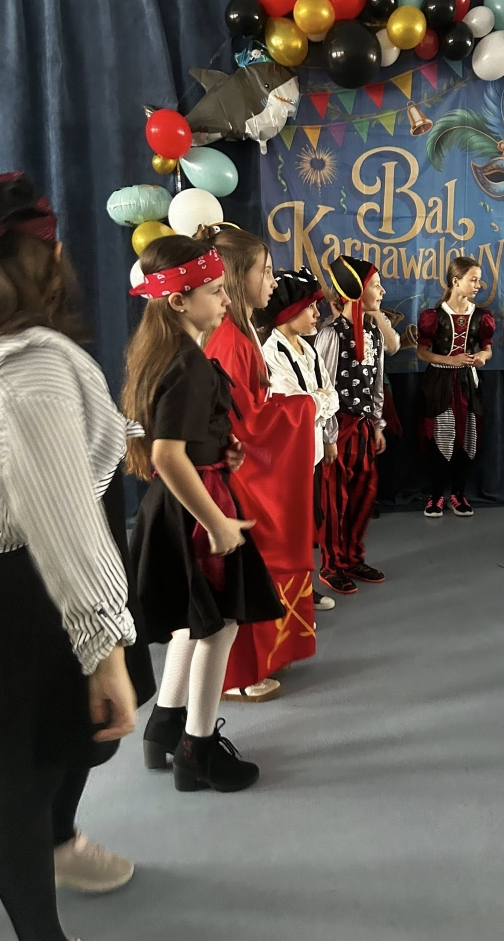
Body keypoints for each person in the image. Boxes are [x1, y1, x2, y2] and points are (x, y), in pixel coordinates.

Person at [0, 173, 154, 941]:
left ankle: (61, 840)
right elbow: (60, 521)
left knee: (62, 745)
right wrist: (103, 646)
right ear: (49, 258)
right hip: (41, 594)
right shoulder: (30, 371)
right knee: (30, 775)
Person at [124, 234, 285, 786]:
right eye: (215, 291)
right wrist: (216, 523)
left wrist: (219, 448)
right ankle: (198, 749)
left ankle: (164, 726)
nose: (225, 299)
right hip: (197, 508)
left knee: (195, 622)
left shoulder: (163, 355)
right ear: (178, 301)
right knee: (219, 626)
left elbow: (179, 441)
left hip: (174, 503)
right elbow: (167, 454)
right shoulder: (189, 363)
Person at [200, 224, 317, 702]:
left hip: (245, 470)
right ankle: (240, 674)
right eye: (265, 272)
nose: (272, 281)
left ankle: (263, 657)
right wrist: (302, 407)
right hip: (240, 475)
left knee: (257, 566)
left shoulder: (241, 333)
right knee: (249, 566)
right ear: (235, 277)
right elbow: (242, 425)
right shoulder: (230, 340)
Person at [260, 268, 340, 610]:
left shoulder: (309, 350)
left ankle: (304, 588)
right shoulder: (272, 353)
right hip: (286, 459)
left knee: (307, 525)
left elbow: (331, 396)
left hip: (312, 453)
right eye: (310, 308)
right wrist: (317, 402)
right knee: (287, 529)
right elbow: (292, 405)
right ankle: (283, 594)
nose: (317, 314)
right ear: (289, 312)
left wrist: (317, 404)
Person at [314, 256, 388, 595]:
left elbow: (377, 383)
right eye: (376, 286)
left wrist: (377, 424)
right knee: (334, 500)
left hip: (363, 427)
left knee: (363, 493)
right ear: (356, 292)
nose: (382, 292)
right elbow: (323, 389)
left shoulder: (374, 333)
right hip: (338, 428)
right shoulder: (331, 335)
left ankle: (353, 557)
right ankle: (332, 564)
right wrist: (328, 435)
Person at [416, 257, 495, 518]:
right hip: (439, 384)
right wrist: (451, 360)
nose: (478, 285)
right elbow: (422, 353)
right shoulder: (433, 316)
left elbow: (487, 349)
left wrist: (482, 356)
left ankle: (458, 493)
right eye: (473, 279)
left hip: (468, 383)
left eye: (478, 280)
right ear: (455, 281)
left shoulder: (480, 317)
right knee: (442, 437)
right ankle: (436, 495)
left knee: (468, 439)